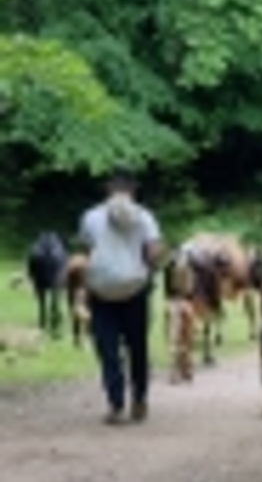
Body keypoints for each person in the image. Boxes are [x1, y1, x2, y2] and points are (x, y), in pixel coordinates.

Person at [78, 167, 164, 425]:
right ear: (133, 190)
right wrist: (149, 268)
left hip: (102, 293)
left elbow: (87, 253)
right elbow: (153, 253)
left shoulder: (91, 217)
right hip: (134, 291)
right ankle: (139, 399)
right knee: (138, 347)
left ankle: (116, 404)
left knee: (107, 348)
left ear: (108, 189)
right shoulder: (145, 217)